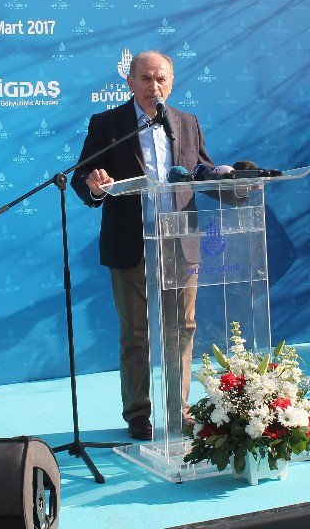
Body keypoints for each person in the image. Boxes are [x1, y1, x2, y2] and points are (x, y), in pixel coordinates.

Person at [72, 50, 214, 441]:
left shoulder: (187, 123)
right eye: (146, 79)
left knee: (182, 327)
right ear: (130, 82)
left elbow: (201, 168)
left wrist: (224, 176)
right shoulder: (109, 124)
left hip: (180, 240)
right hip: (131, 240)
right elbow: (83, 173)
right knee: (136, 331)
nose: (155, 87)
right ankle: (138, 412)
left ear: (172, 82)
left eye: (162, 79)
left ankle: (178, 408)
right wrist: (94, 185)